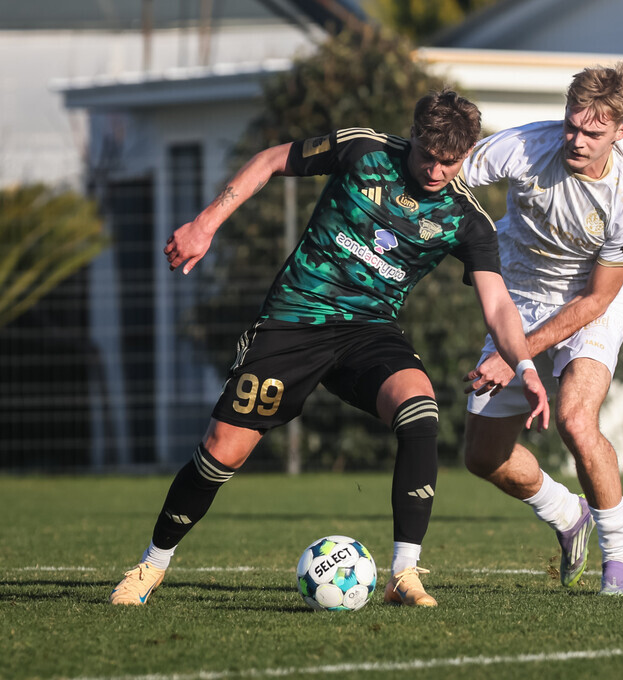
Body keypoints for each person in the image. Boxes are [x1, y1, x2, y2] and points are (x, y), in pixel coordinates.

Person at [110, 89, 549, 608]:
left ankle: (403, 574)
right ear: (413, 137)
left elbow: (497, 304)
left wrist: (524, 364)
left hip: (368, 331)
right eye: (428, 156)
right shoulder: (363, 152)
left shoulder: (465, 219)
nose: (436, 170)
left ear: (466, 155)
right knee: (221, 452)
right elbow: (271, 160)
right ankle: (151, 564)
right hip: (294, 321)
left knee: (420, 411)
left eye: (450, 163)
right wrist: (207, 223)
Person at [460, 63, 623, 596]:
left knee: (575, 419)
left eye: (593, 133)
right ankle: (568, 514)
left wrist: (515, 354)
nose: (576, 139)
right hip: (518, 296)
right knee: (482, 456)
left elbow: (598, 297)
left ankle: (619, 562)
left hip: (589, 305)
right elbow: (451, 174)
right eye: (572, 125)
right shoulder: (526, 145)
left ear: (620, 132)